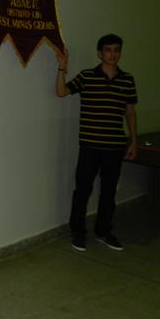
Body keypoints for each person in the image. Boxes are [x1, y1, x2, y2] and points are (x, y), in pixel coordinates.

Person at [56, 34, 138, 252]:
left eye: (117, 50)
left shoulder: (127, 80)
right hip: (90, 146)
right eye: (108, 50)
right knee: (82, 190)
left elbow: (130, 112)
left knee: (109, 193)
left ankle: (103, 232)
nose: (113, 54)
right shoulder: (87, 76)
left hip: (115, 146)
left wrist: (133, 141)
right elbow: (61, 92)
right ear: (99, 53)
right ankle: (78, 233)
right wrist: (62, 67)